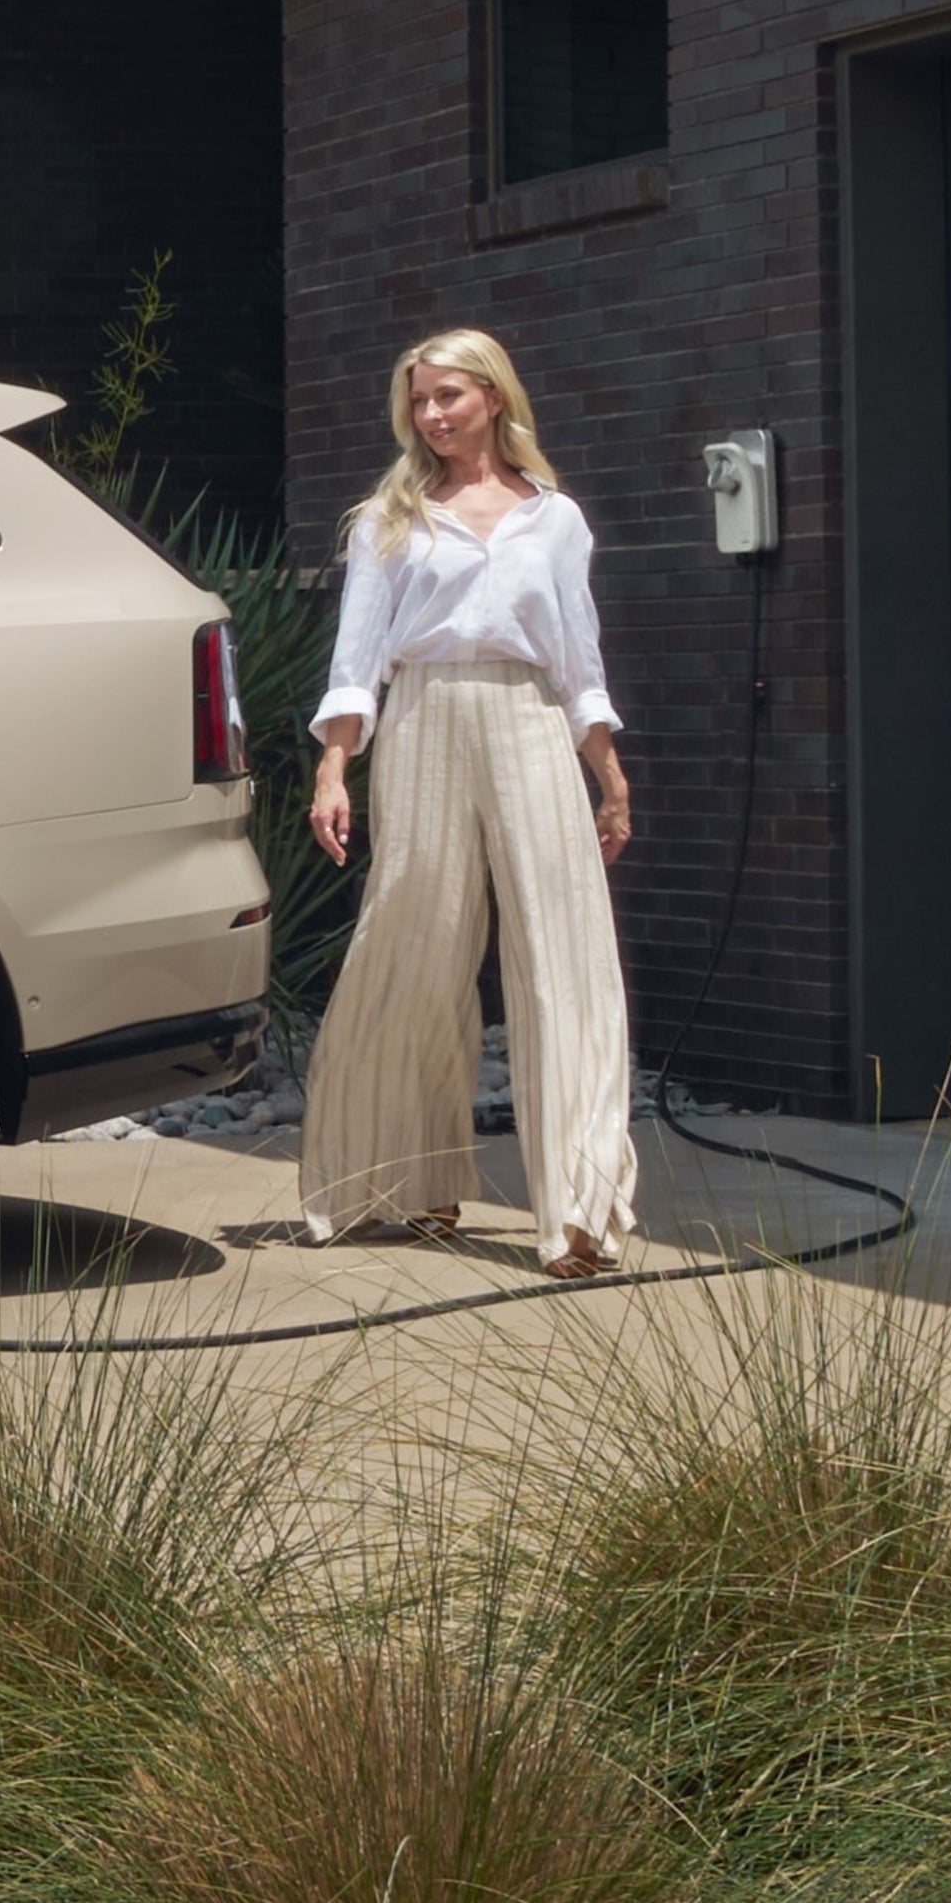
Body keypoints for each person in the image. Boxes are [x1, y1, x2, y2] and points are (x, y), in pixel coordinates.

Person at [297, 328, 638, 1277]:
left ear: (493, 395)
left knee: (562, 953)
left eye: (449, 395)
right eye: (419, 402)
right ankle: (408, 1176)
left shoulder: (555, 519)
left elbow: (579, 658)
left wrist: (606, 770)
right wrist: (334, 770)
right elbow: (357, 660)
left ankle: (578, 1210)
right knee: (415, 940)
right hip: (424, 723)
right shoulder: (389, 519)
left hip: (530, 723)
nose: (433, 415)